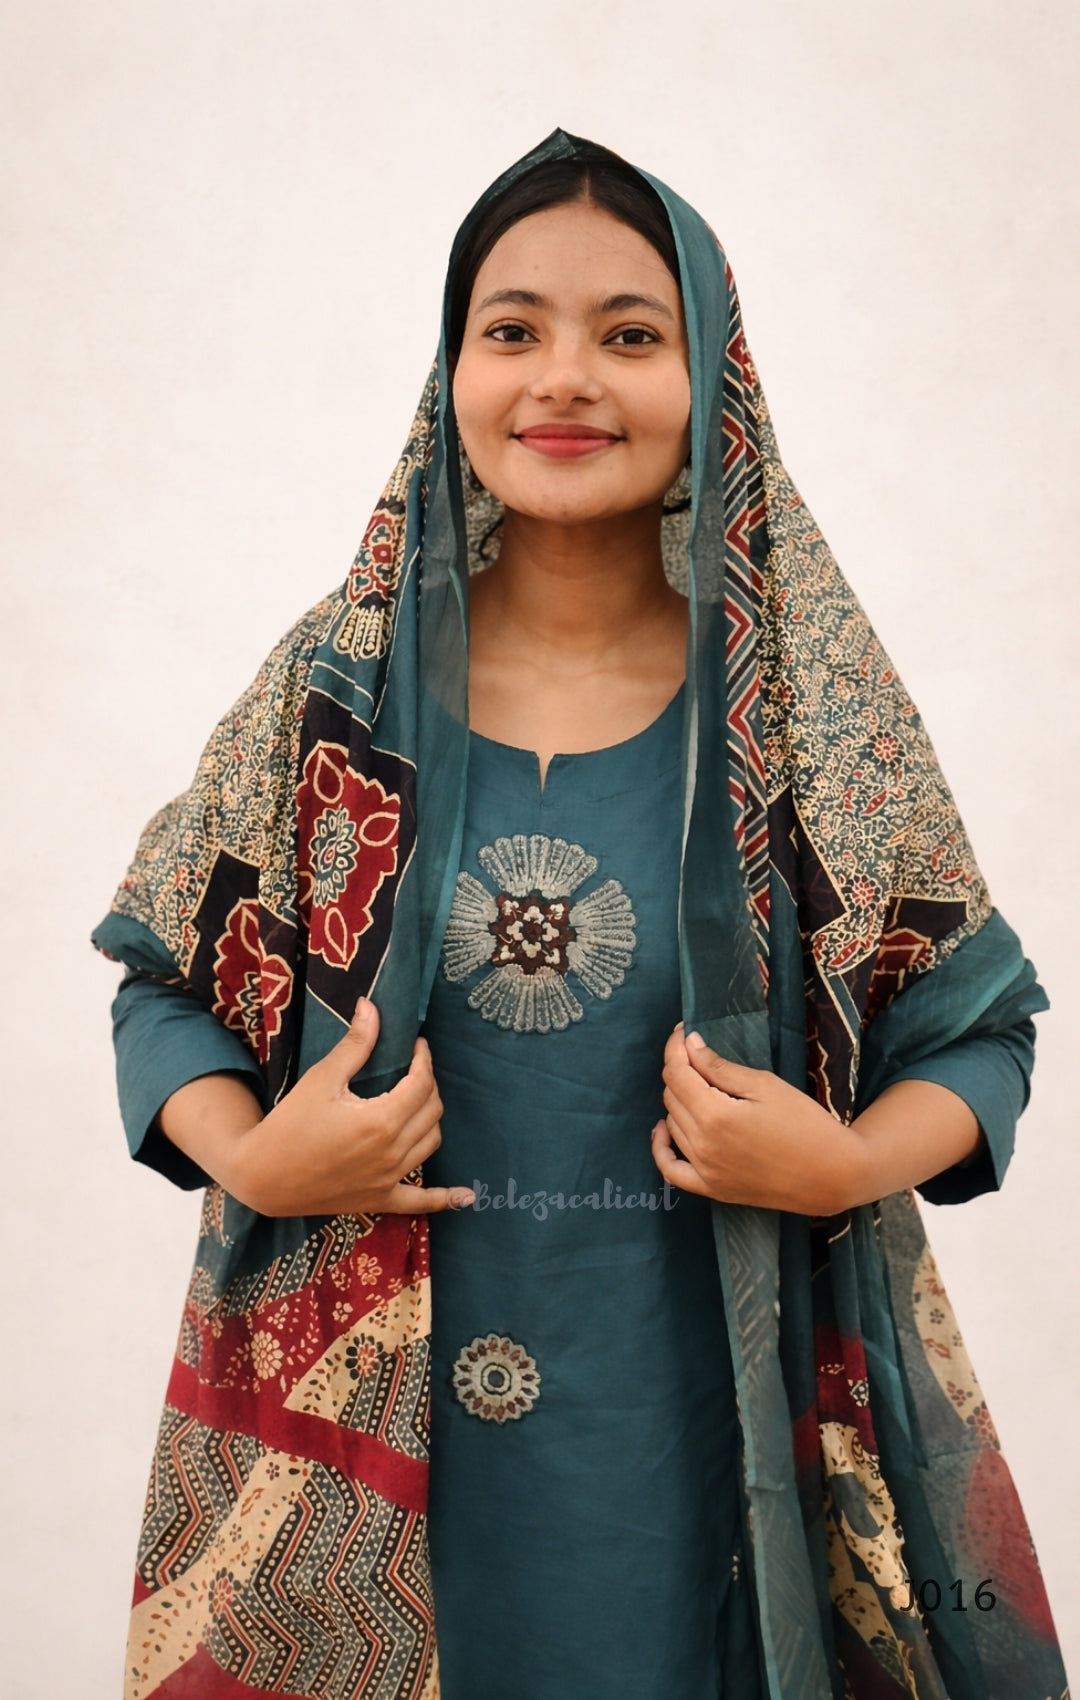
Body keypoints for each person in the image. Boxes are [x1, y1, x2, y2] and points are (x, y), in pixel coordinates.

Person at [93, 131, 1068, 1700]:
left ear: (714, 382)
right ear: (451, 368)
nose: (565, 378)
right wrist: (256, 1155)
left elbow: (979, 1028)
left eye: (630, 333)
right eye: (513, 330)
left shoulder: (796, 719)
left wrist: (847, 1160)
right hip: (369, 1442)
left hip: (701, 1426)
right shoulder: (341, 700)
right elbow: (163, 982)